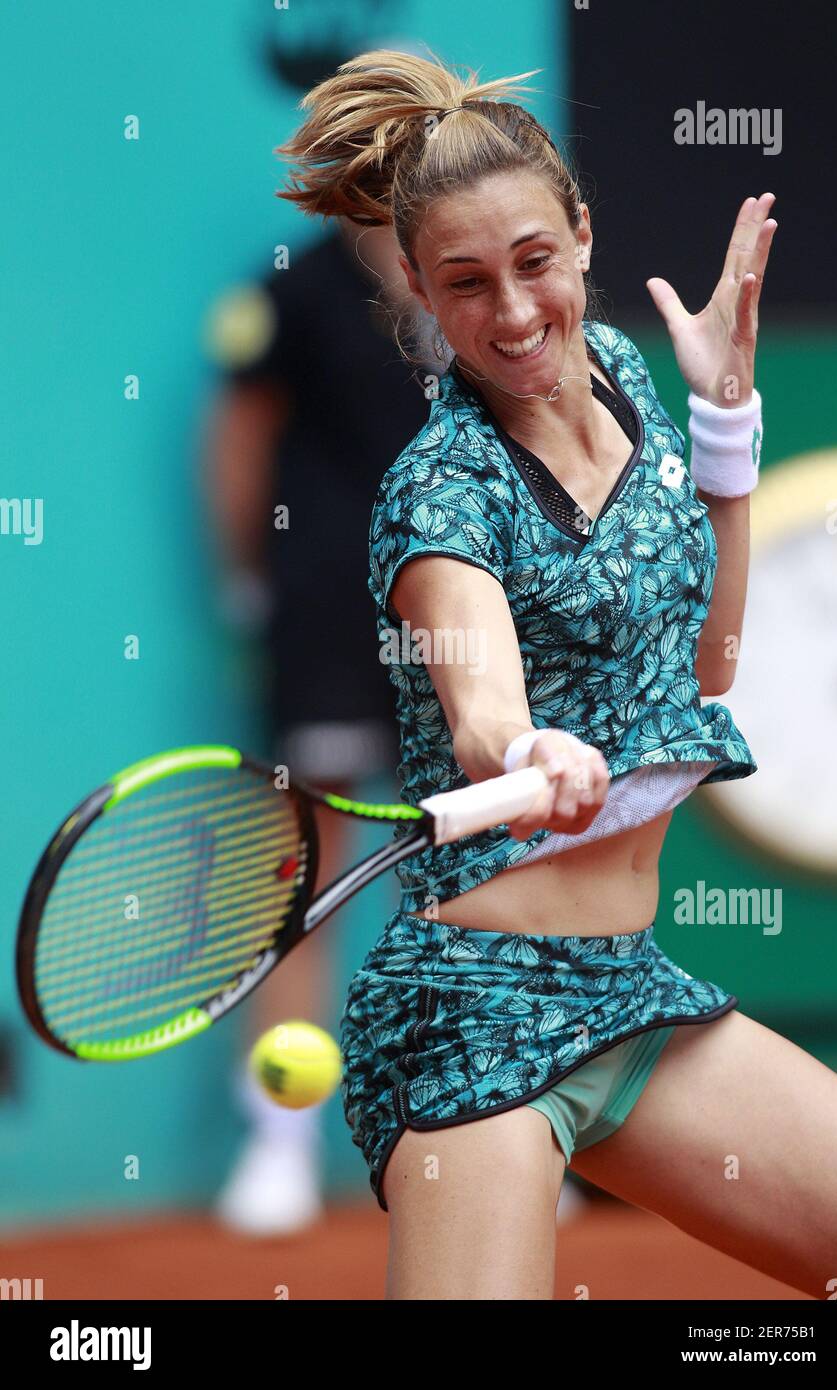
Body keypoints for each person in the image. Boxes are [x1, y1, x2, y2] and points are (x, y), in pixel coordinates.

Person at [273, 48, 837, 1299]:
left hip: (628, 989)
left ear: (582, 234)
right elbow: (481, 707)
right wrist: (523, 750)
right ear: (424, 298)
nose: (512, 312)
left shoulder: (624, 373)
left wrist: (724, 436)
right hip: (471, 1010)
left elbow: (707, 657)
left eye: (533, 261)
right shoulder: (439, 491)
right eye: (465, 283)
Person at [202, 217, 435, 1232]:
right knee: (303, 870)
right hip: (327, 618)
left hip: (461, 620)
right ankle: (279, 1145)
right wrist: (249, 580)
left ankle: (494, 1134)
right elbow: (240, 429)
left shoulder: (472, 277)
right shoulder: (294, 285)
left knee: (468, 875)